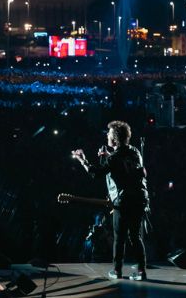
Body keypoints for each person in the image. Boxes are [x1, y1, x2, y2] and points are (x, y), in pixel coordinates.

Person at [72, 120, 149, 281]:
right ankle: (142, 271)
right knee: (135, 236)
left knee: (119, 237)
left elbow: (96, 173)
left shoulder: (114, 158)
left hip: (124, 200)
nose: (106, 135)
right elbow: (127, 167)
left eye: (108, 134)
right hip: (140, 198)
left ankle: (117, 270)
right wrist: (108, 156)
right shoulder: (135, 151)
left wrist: (82, 160)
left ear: (114, 139)